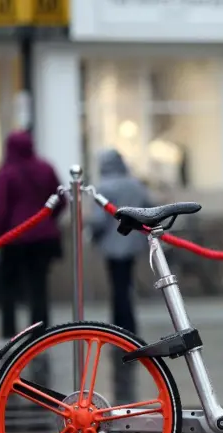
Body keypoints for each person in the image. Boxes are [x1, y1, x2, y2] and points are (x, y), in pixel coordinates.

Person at [0, 131, 65, 351]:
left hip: (15, 237)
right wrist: (48, 220)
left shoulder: (7, 173)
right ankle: (40, 335)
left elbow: (1, 210)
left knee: (8, 288)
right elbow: (60, 199)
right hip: (43, 237)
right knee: (39, 287)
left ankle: (8, 335)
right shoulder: (46, 168)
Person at [88, 148, 154, 403]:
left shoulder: (104, 186)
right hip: (132, 243)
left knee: (117, 287)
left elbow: (99, 220)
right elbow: (148, 206)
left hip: (112, 245)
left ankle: (119, 325)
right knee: (125, 284)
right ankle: (130, 324)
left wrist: (93, 234)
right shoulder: (134, 183)